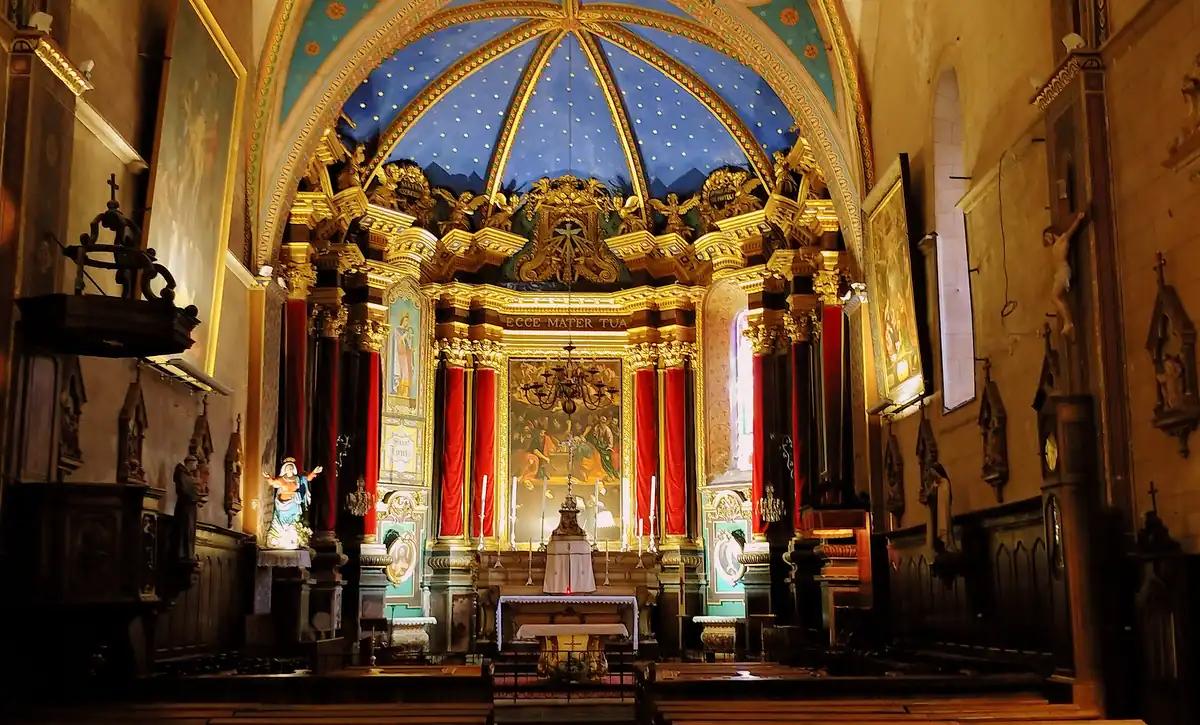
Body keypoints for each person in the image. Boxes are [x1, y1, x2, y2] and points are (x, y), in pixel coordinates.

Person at [264, 457, 322, 549]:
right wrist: (267, 477)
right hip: (282, 505)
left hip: (293, 503)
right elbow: (272, 482)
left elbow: (307, 479)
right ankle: (277, 538)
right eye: (288, 467)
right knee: (280, 521)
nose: (290, 469)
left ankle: (292, 539)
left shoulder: (298, 479)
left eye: (291, 467)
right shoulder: (281, 479)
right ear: (284, 469)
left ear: (293, 469)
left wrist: (314, 472)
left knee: (293, 521)